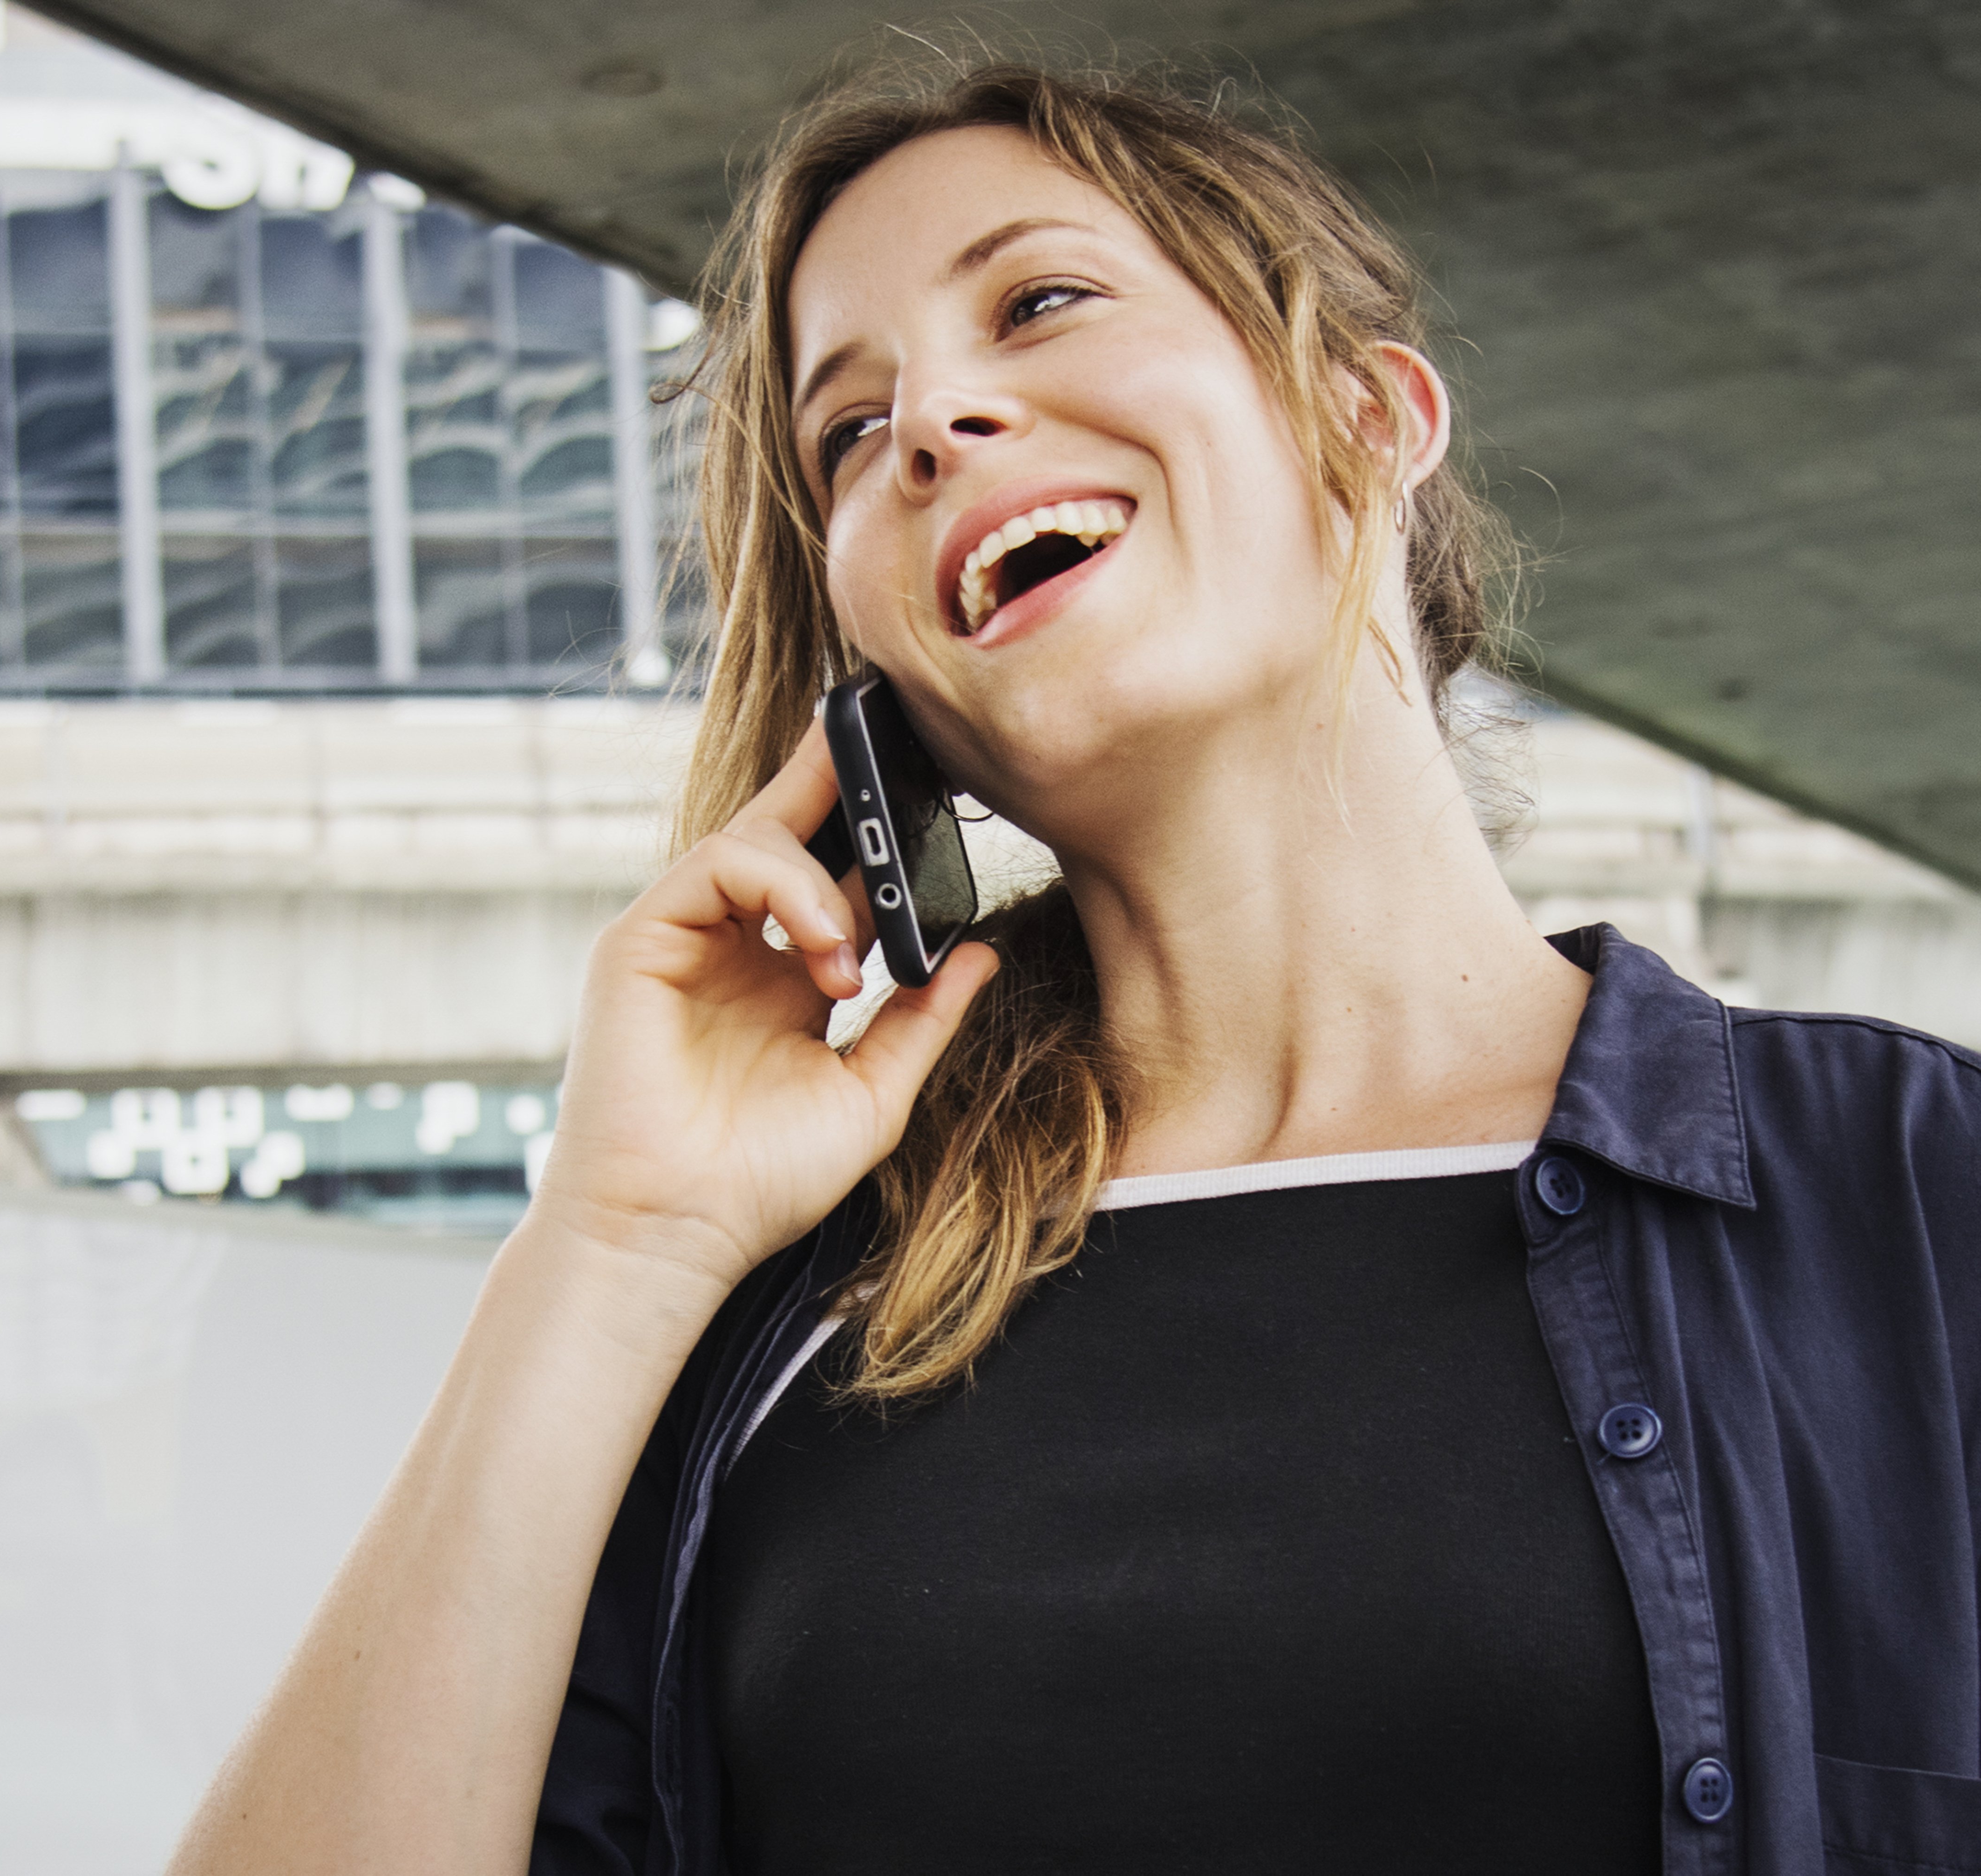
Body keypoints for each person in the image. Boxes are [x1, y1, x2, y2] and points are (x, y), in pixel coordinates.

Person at [167, 63, 1981, 1876]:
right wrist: (612, 1241)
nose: (933, 423)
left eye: (1037, 301)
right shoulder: (779, 1322)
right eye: (846, 435)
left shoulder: (1909, 1191)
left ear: (1365, 409)